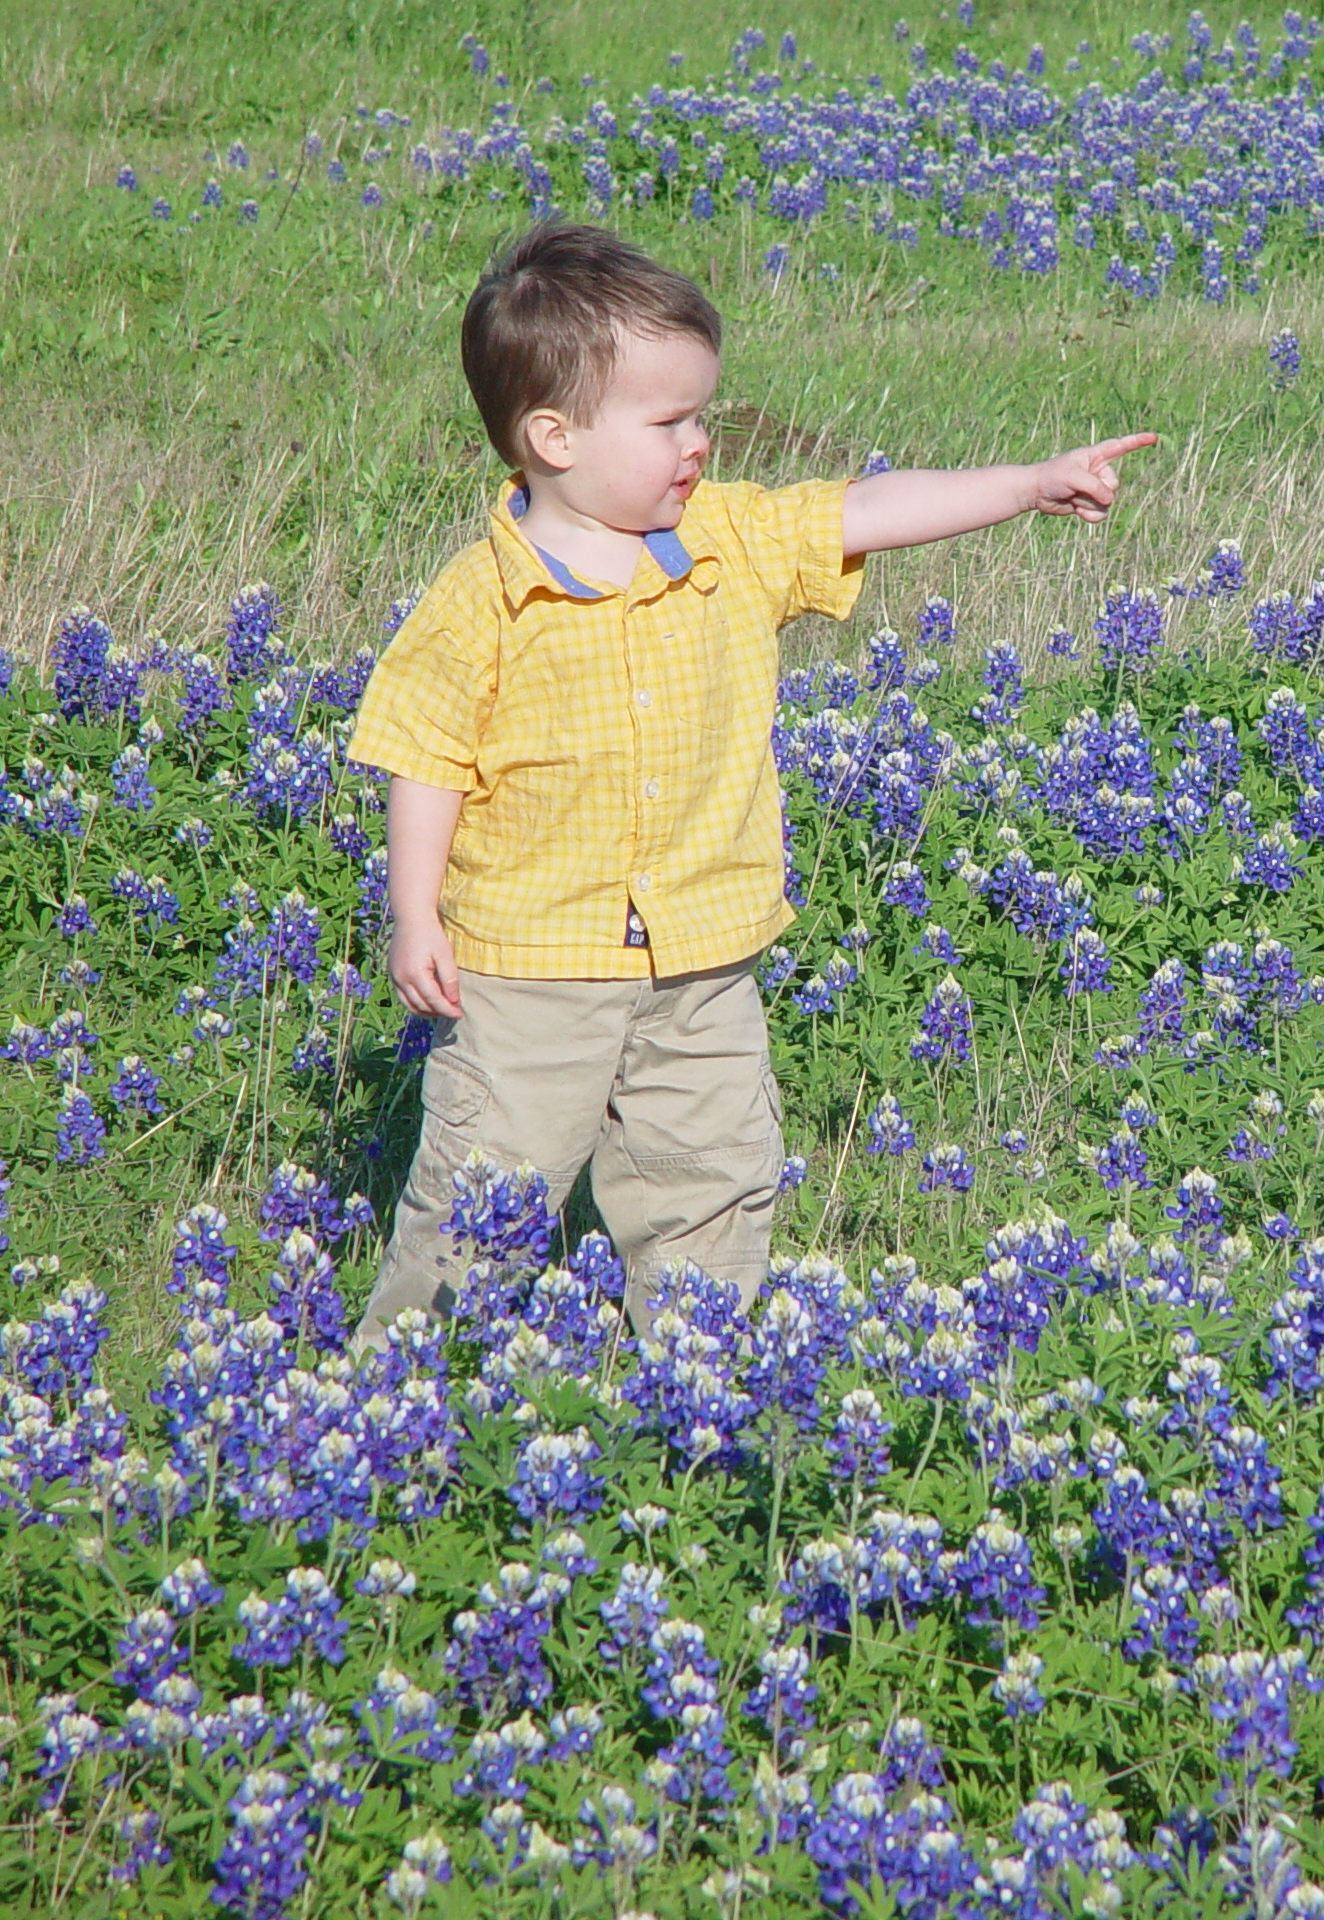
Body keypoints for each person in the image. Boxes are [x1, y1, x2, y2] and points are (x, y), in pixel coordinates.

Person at [347, 220, 1151, 1342]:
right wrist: (413, 911)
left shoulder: (728, 541)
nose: (701, 443)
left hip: (704, 953)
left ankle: (689, 1379)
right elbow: (424, 755)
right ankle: (407, 1388)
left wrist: (1025, 485)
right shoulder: (479, 598)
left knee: (711, 1177)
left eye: (702, 415)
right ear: (554, 437)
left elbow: (864, 508)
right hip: (532, 965)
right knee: (488, 1193)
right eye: (670, 421)